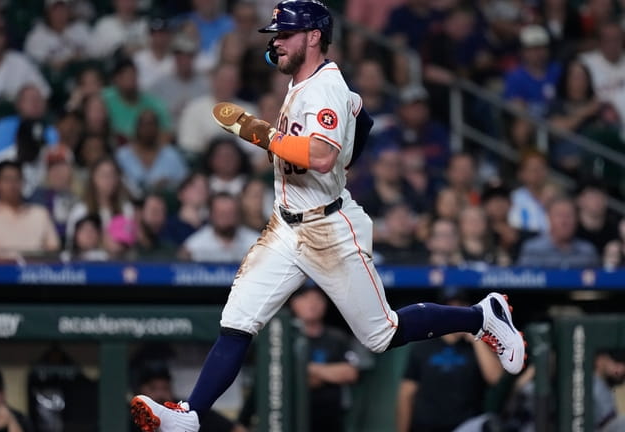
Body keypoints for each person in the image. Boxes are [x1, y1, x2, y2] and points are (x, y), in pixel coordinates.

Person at [130, 2, 525, 431]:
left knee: (382, 335)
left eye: (284, 34)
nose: (275, 41)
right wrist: (343, 150)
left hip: (328, 226)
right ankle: (191, 416)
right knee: (237, 322)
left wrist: (259, 132)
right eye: (274, 35)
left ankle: (482, 316)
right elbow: (362, 116)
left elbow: (320, 156)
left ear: (313, 36)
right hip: (286, 224)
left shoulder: (324, 88)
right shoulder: (311, 83)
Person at [396, 289, 504, 432]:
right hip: (426, 426)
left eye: (461, 308)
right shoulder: (423, 346)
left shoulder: (477, 346)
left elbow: (496, 378)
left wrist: (475, 338)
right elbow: (406, 394)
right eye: (452, 309)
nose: (457, 315)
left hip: (466, 426)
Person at [289, 285, 364, 432]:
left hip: (331, 419)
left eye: (317, 299)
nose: (312, 304)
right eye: (305, 299)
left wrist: (307, 368)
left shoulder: (337, 337)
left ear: (325, 305)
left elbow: (350, 373)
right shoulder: (285, 337)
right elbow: (289, 379)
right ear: (293, 303)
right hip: (293, 418)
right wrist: (329, 374)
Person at [593, 349, 625, 431]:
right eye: (616, 362)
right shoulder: (592, 385)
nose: (622, 368)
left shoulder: (605, 385)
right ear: (599, 360)